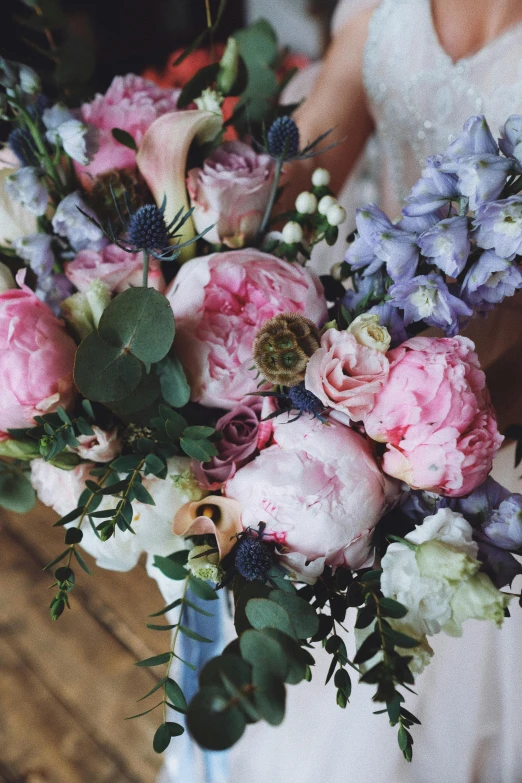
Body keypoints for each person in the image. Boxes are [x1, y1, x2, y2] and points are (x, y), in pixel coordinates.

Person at [159, 3, 522, 781]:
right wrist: (208, 260)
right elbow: (321, 142)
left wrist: (439, 410)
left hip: (475, 442)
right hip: (338, 362)